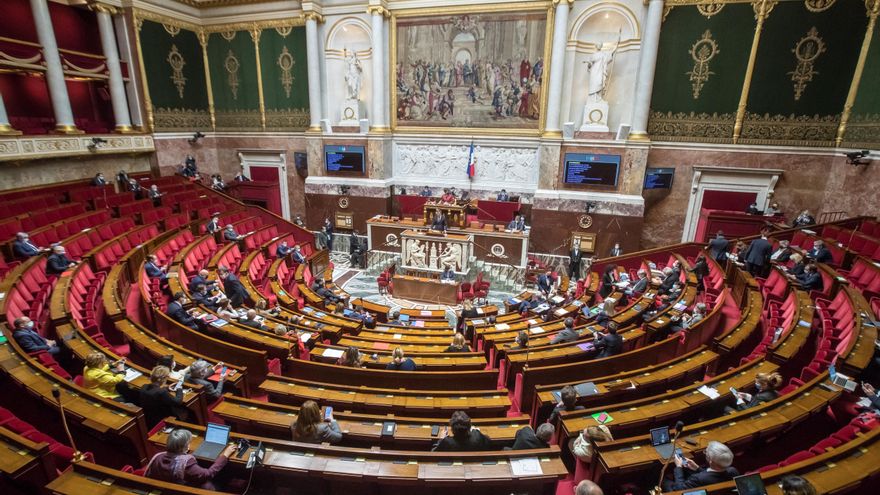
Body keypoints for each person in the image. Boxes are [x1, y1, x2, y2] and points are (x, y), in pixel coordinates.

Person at [145, 428, 235, 490]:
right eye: (188, 442)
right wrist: (225, 455)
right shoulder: (185, 463)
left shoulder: (158, 456)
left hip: (167, 488)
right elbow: (208, 474)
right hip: (186, 491)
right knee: (225, 476)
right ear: (184, 446)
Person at [665, 440, 739, 491]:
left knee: (664, 480)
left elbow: (679, 490)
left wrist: (678, 467)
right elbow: (713, 476)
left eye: (706, 452)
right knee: (687, 470)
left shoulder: (698, 478)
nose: (705, 453)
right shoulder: (733, 471)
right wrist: (697, 468)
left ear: (710, 460)